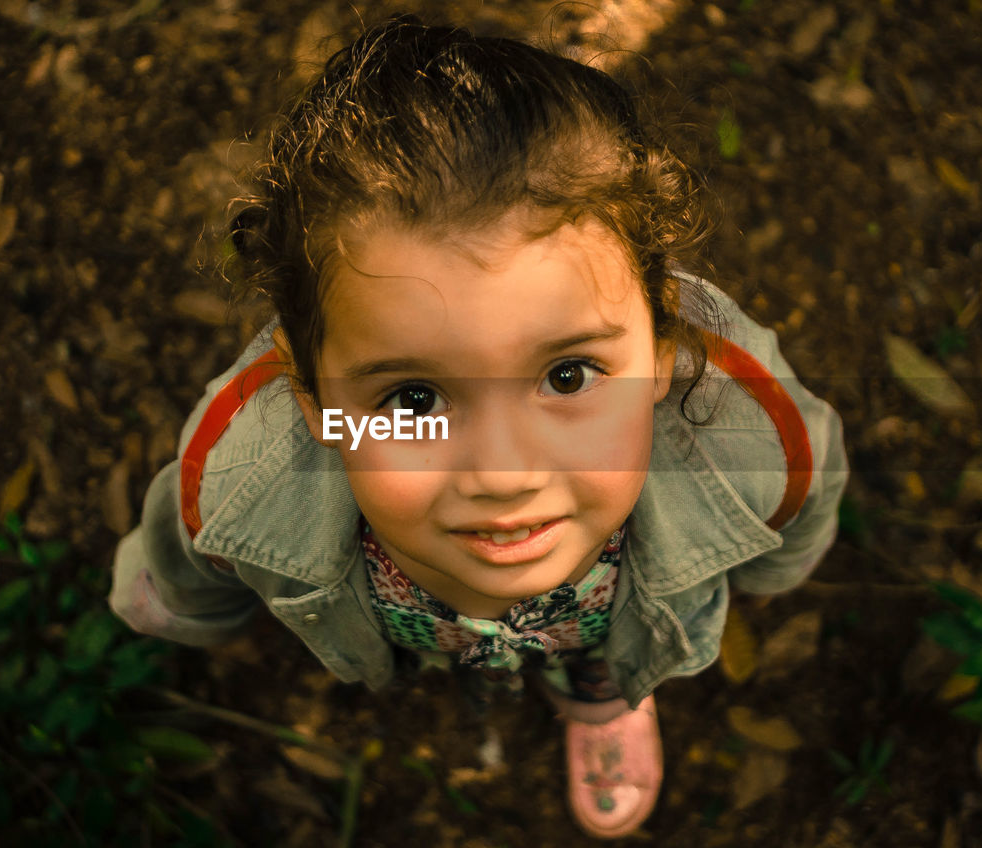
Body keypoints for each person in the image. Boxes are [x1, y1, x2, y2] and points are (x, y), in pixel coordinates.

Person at [110, 16, 847, 839]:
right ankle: (452, 667)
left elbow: (804, 494)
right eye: (415, 401)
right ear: (311, 395)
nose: (501, 474)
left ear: (664, 344)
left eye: (567, 377)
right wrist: (187, 605)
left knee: (597, 666)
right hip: (414, 624)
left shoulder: (748, 434)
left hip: (603, 621)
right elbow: (190, 541)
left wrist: (773, 575)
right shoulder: (237, 470)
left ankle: (598, 702)